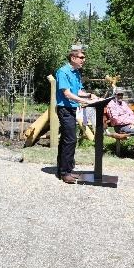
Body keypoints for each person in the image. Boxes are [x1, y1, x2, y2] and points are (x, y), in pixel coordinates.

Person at [55, 45, 97, 184]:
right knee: (71, 139)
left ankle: (64, 169)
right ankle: (65, 172)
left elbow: (78, 92)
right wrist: (84, 101)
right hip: (64, 109)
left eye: (84, 57)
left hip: (72, 109)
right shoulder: (63, 71)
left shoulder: (76, 73)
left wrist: (90, 95)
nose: (83, 60)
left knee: (66, 140)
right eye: (81, 57)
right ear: (73, 58)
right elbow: (67, 93)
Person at [105, 87, 134, 157]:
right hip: (120, 127)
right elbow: (116, 119)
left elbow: (131, 114)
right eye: (118, 94)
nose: (120, 96)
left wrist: (132, 122)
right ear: (115, 95)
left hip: (129, 124)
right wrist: (130, 121)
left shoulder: (123, 103)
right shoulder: (111, 105)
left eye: (121, 95)